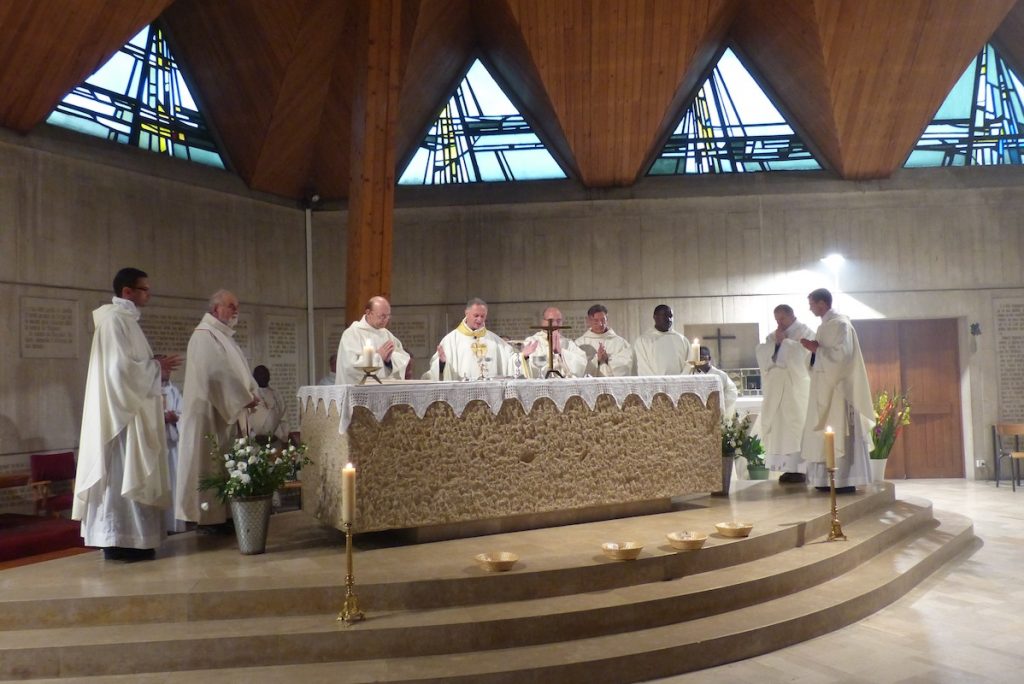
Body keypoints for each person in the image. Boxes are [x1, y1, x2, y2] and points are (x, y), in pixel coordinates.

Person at [73, 267, 181, 561]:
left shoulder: (126, 321)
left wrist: (155, 366)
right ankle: (121, 541)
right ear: (127, 292)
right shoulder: (113, 322)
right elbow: (119, 371)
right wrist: (156, 367)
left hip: (131, 413)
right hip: (120, 422)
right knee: (121, 479)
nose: (149, 294)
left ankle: (136, 540)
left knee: (130, 480)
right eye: (144, 289)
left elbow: (132, 366)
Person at [175, 290, 260, 532]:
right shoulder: (204, 335)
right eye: (230, 306)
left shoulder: (222, 336)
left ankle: (228, 516)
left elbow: (240, 372)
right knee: (211, 465)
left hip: (226, 414)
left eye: (237, 306)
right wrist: (244, 398)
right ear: (215, 309)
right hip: (210, 417)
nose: (236, 311)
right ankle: (212, 520)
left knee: (226, 465)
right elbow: (215, 374)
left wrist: (251, 392)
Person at [799, 288, 875, 492]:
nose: (810, 308)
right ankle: (824, 481)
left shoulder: (841, 325)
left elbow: (843, 357)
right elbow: (816, 359)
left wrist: (817, 350)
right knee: (821, 433)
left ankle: (844, 480)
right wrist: (813, 353)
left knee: (839, 429)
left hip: (839, 391)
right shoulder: (824, 326)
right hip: (822, 388)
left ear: (822, 304)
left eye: (812, 304)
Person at [753, 304, 814, 483]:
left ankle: (800, 468)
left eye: (782, 319)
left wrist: (784, 344)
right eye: (777, 320)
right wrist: (777, 344)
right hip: (777, 392)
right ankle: (787, 468)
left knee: (796, 427)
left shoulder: (806, 332)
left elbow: (805, 358)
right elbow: (763, 354)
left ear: (791, 316)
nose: (779, 323)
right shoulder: (773, 336)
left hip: (795, 390)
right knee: (781, 430)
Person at [428, 298, 537, 380]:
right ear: (467, 313)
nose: (479, 319)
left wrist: (523, 356)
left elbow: (509, 360)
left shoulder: (494, 340)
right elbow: (435, 369)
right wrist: (442, 363)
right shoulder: (451, 340)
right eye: (476, 315)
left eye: (482, 316)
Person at [336, 296, 410, 385]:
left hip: (384, 391)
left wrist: (389, 361)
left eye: (388, 316)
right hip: (359, 393)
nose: (385, 320)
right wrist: (378, 356)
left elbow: (403, 357)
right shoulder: (352, 334)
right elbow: (349, 366)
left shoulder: (387, 335)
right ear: (368, 313)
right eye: (382, 316)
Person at [158, 356, 187, 533]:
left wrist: (176, 418)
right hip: (157, 447)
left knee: (175, 485)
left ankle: (175, 525)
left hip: (173, 447)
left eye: (169, 369)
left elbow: (184, 414)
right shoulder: (148, 392)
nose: (167, 372)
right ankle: (161, 525)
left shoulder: (174, 391)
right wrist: (161, 417)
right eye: (164, 368)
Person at [523, 306, 588, 378]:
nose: (555, 324)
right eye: (551, 320)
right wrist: (524, 357)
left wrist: (561, 353)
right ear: (543, 322)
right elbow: (526, 367)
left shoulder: (568, 343)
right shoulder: (531, 341)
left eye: (558, 321)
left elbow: (581, 362)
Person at [575, 304, 634, 377]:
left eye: (603, 320)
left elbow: (626, 365)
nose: (600, 324)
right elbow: (576, 367)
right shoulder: (579, 343)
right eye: (596, 321)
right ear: (589, 321)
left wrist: (607, 359)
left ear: (607, 319)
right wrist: (597, 359)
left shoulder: (620, 343)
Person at [633, 304, 692, 376]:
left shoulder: (682, 340)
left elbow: (689, 364)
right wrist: (658, 384)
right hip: (654, 385)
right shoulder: (643, 341)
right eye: (665, 316)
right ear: (655, 317)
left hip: (679, 385)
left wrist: (680, 381)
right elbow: (643, 367)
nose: (669, 319)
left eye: (671, 316)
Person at [689, 346, 738, 420]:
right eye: (697, 358)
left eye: (702, 357)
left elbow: (732, 392)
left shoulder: (720, 375)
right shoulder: (690, 375)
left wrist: (718, 403)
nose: (699, 361)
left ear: (709, 358)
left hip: (716, 414)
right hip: (697, 415)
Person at [249, 365, 288, 444]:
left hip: (273, 440)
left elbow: (284, 418)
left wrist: (282, 436)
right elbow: (243, 419)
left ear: (269, 377)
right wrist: (253, 436)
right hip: (253, 442)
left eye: (264, 374)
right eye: (260, 374)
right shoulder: (249, 395)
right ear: (253, 377)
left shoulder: (277, 395)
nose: (262, 376)